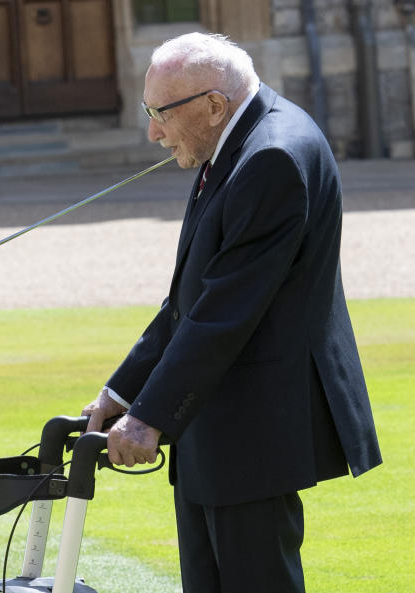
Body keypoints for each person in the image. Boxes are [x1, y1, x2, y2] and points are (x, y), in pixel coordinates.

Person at [80, 33, 381, 593]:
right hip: (215, 424)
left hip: (254, 428)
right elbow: (190, 299)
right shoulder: (233, 139)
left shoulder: (270, 156)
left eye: (160, 113)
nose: (153, 132)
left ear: (214, 104)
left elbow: (224, 313)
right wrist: (122, 395)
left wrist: (148, 419)